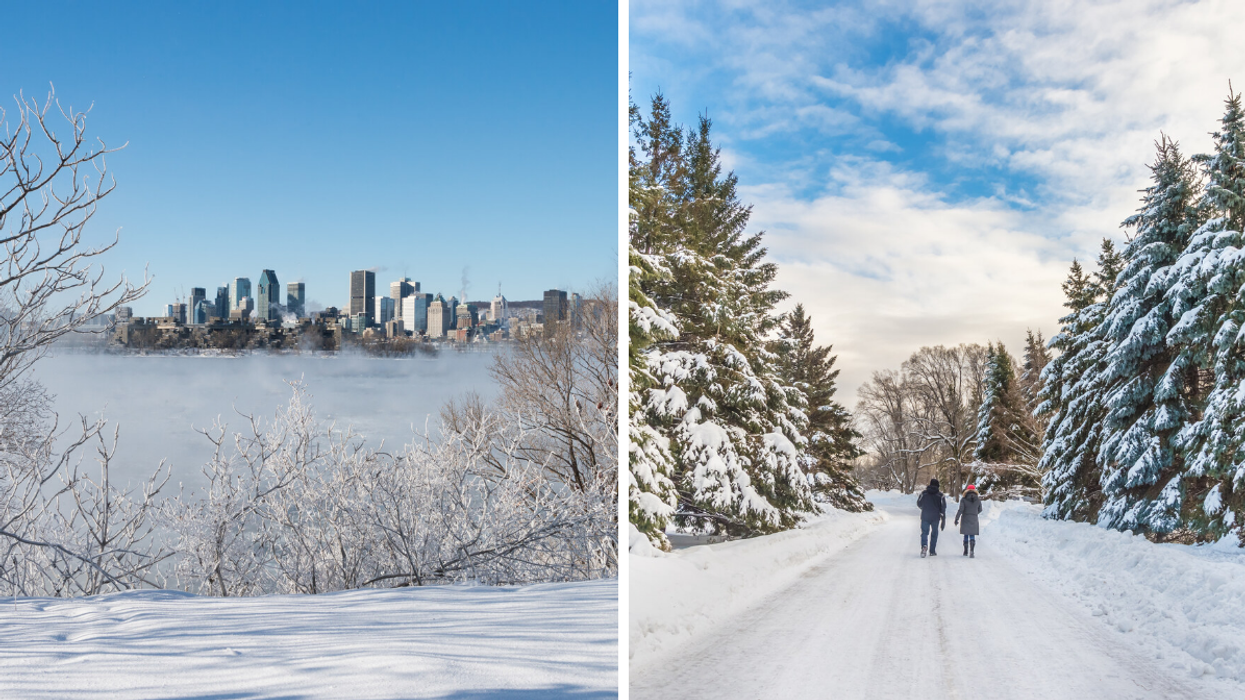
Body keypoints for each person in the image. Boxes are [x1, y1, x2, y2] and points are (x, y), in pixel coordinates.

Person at [916, 478, 946, 558]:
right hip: (935, 517)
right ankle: (932, 551)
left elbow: (919, 503)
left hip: (925, 515)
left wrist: (924, 507)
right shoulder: (940, 495)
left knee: (924, 532)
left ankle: (924, 546)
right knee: (934, 533)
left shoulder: (924, 493)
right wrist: (943, 520)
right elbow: (943, 508)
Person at [955, 484, 983, 558]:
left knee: (966, 534)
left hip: (965, 518)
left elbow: (961, 510)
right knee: (972, 535)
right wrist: (974, 513)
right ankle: (972, 551)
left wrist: (956, 518)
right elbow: (980, 509)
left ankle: (965, 551)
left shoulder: (964, 499)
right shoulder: (978, 499)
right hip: (974, 518)